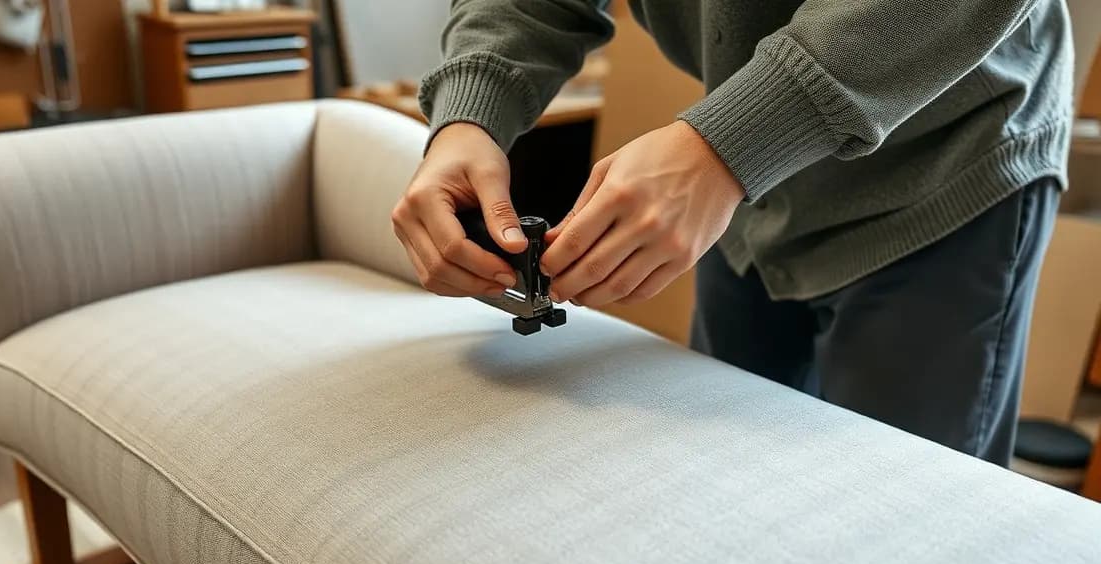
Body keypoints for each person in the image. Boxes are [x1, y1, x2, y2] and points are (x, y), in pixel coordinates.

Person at [390, 0, 1073, 466]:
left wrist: (731, 146)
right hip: (749, 179)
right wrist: (468, 116)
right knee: (724, 480)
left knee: (904, 530)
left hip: (945, 164)